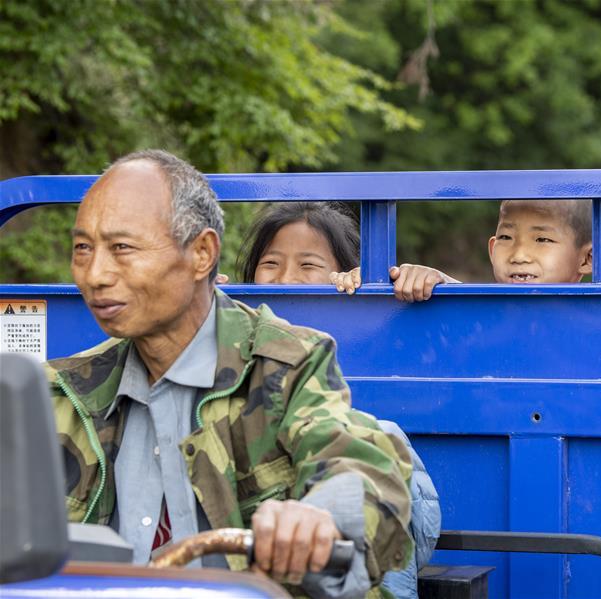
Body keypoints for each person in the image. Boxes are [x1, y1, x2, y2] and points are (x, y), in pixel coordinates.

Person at [47, 149, 412, 598]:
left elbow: (359, 466)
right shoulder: (60, 391)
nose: (96, 274)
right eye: (83, 249)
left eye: (122, 248)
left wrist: (318, 520)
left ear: (202, 254)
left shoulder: (288, 364)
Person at [235, 202, 442, 599]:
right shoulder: (232, 337)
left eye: (308, 265)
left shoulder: (366, 323)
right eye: (271, 263)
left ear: (345, 273)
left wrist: (392, 286)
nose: (285, 281)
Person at [331, 199, 593, 301]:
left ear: (587, 258)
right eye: (506, 236)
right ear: (491, 249)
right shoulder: (482, 311)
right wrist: (431, 280)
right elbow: (465, 300)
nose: (518, 255)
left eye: (542, 240)